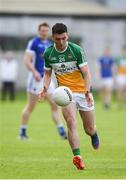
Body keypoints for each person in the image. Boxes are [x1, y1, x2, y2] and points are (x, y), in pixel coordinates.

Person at [39, 23, 100, 170]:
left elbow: (86, 73)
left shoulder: (76, 50)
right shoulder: (48, 53)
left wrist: (88, 91)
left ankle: (94, 133)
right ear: (52, 37)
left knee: (89, 129)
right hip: (65, 93)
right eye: (57, 39)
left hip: (82, 92)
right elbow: (47, 73)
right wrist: (45, 87)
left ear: (67, 36)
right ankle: (77, 157)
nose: (61, 42)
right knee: (71, 122)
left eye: (63, 38)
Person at [19, 22, 67, 140]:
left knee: (55, 105)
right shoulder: (34, 43)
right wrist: (34, 72)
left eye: (46, 30)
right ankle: (22, 132)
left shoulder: (51, 44)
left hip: (47, 79)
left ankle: (61, 131)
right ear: (39, 31)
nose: (44, 32)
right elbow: (26, 60)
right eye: (42, 30)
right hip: (35, 79)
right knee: (31, 106)